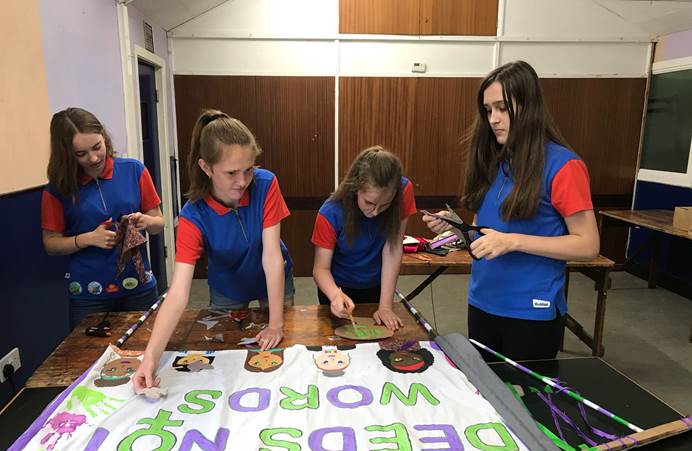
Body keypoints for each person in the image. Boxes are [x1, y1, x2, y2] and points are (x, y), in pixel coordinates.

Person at [423, 61, 599, 361]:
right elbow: (484, 237)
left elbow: (588, 244)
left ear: (529, 106)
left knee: (526, 403)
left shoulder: (563, 166)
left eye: (503, 108)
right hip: (482, 303)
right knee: (490, 396)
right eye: (488, 110)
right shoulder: (493, 162)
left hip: (531, 312)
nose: (493, 119)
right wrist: (458, 228)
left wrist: (512, 241)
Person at [133, 109, 294, 390]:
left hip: (274, 277)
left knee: (283, 356)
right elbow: (179, 292)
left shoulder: (266, 183)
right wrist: (150, 357)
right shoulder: (193, 215)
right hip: (227, 287)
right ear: (206, 168)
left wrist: (276, 323)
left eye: (248, 169)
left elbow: (271, 257)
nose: (242, 181)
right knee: (226, 362)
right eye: (231, 173)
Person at [41, 107, 164, 330]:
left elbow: (158, 223)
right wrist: (87, 239)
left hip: (139, 287)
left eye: (97, 146)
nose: (94, 158)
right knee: (89, 360)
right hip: (89, 294)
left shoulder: (134, 170)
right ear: (67, 154)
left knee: (146, 352)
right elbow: (51, 244)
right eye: (81, 154)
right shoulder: (57, 189)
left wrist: (146, 221)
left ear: (104, 137)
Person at [312, 146, 417, 331]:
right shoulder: (330, 213)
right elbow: (321, 269)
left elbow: (393, 248)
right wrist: (335, 295)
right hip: (338, 288)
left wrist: (385, 306)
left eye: (385, 205)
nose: (375, 212)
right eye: (369, 202)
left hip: (377, 284)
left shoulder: (404, 190)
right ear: (355, 188)